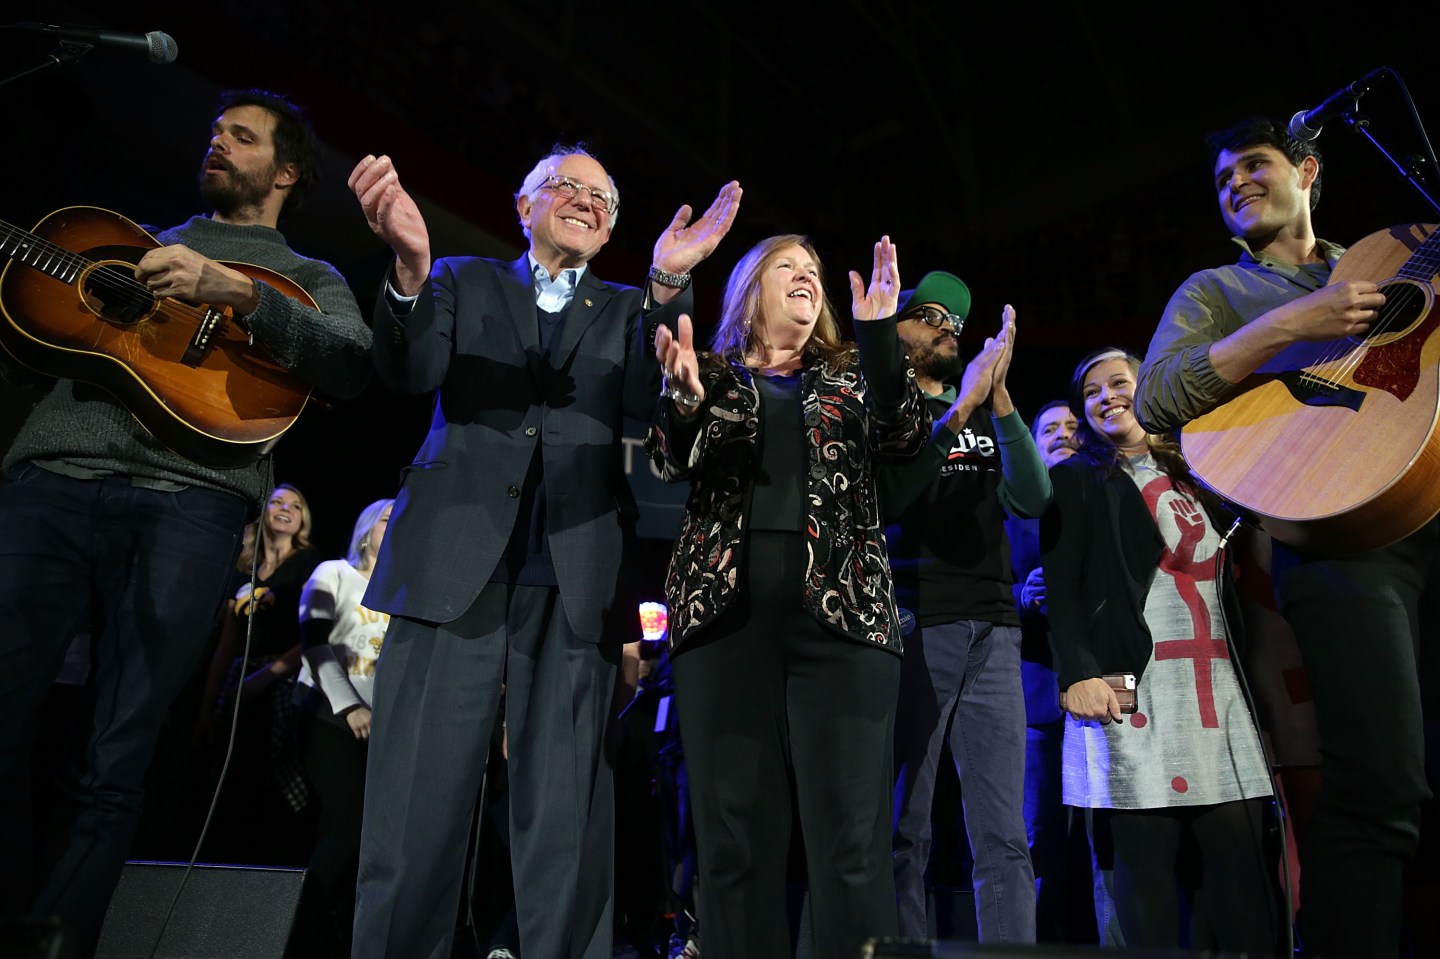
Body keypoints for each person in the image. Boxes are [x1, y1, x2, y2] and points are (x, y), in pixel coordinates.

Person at [346, 142, 741, 959]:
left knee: (563, 818)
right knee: (414, 807)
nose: (589, 203)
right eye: (568, 186)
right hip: (448, 570)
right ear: (523, 206)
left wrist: (669, 282)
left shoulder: (633, 308)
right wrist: (410, 270)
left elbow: (653, 396)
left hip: (574, 578)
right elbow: (410, 369)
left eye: (606, 198)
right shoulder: (460, 278)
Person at [0, 88, 370, 955]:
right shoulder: (120, 242)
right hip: (52, 478)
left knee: (115, 752)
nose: (217, 143)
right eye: (213, 131)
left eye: (240, 137)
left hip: (191, 502)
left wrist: (237, 292)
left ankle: (57, 940)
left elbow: (349, 360)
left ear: (284, 172)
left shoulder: (310, 276)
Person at [1135, 114, 1435, 958]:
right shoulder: (1213, 292)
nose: (1235, 183)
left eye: (1255, 165)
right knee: (1378, 784)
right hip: (1340, 533)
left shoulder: (1389, 256)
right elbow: (1157, 398)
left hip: (1430, 492)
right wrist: (1290, 324)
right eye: (1222, 178)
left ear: (1308, 169)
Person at [647, 233, 929, 959]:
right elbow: (667, 461)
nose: (807, 277)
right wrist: (682, 407)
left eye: (815, 270)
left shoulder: (857, 374)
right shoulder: (708, 372)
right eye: (789, 268)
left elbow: (906, 438)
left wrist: (878, 336)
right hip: (722, 620)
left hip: (844, 623)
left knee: (851, 842)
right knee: (734, 840)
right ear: (752, 289)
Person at [1044, 347, 1278, 953]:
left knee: (1238, 875)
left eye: (1117, 383)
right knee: (1143, 876)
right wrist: (1079, 672)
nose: (1104, 398)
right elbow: (1063, 589)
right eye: (1089, 392)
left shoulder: (1205, 471)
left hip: (1218, 688)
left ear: (1149, 387)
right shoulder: (1076, 480)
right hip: (1135, 690)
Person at [877, 272, 1048, 944]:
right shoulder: (883, 411)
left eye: (956, 320)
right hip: (918, 621)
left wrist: (999, 399)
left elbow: (1032, 498)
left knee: (1005, 835)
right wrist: (964, 403)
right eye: (929, 315)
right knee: (904, 829)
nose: (948, 326)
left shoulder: (987, 411)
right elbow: (895, 495)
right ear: (894, 330)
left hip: (996, 631)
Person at [284, 498, 394, 959]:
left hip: (378, 727)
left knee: (340, 831)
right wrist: (349, 705)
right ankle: (293, 924)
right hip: (327, 715)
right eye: (389, 521)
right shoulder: (334, 573)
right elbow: (314, 640)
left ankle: (316, 939)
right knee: (352, 826)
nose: (397, 529)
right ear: (368, 528)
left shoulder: (401, 592)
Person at [198, 482, 323, 864]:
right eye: (278, 502)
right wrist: (206, 710)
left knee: (277, 786)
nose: (286, 508)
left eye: (296, 505)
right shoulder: (241, 569)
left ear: (303, 520)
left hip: (284, 683)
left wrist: (265, 677)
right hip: (240, 685)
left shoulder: (310, 566)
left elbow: (317, 637)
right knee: (228, 782)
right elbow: (226, 646)